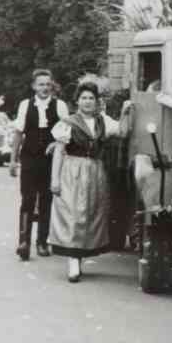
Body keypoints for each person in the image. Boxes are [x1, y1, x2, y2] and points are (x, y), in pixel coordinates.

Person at [48, 80, 133, 282]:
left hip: (95, 171)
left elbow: (122, 131)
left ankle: (80, 257)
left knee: (90, 215)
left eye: (91, 98)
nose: (87, 102)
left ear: (97, 102)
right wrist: (55, 180)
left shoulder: (103, 121)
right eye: (84, 98)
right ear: (77, 101)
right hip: (72, 171)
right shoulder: (68, 123)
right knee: (73, 214)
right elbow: (59, 152)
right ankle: (73, 262)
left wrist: (126, 110)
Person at [10, 69, 70, 261]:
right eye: (40, 84)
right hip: (29, 157)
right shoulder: (25, 105)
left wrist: (56, 142)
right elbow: (19, 133)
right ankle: (23, 241)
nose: (44, 88)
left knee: (46, 200)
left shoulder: (59, 106)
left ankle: (42, 241)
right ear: (34, 86)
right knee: (27, 199)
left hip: (50, 160)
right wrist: (13, 160)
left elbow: (67, 131)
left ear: (52, 86)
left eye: (47, 84)